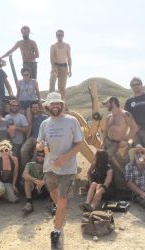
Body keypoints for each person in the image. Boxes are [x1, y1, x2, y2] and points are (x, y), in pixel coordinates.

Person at [37, 92, 83, 249]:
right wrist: (40, 146)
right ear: (48, 106)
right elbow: (41, 142)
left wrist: (64, 158)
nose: (55, 106)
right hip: (49, 168)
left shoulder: (72, 121)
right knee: (55, 198)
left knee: (62, 201)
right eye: (52, 104)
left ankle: (57, 231)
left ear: (62, 105)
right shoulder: (44, 123)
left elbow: (79, 144)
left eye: (58, 103)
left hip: (68, 169)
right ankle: (61, 214)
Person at [124, 144, 145, 221]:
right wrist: (142, 193)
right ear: (134, 155)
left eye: (142, 152)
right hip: (142, 193)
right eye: (137, 153)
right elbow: (129, 183)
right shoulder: (129, 166)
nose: (140, 154)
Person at [125, 77, 145, 154]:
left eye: (137, 84)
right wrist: (134, 127)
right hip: (135, 132)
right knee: (138, 154)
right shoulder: (129, 101)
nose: (135, 86)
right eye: (133, 85)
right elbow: (127, 117)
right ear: (131, 87)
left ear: (141, 85)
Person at [20, 101, 48, 172]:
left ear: (39, 108)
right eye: (34, 107)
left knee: (35, 156)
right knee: (23, 150)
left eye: (37, 107)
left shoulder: (44, 117)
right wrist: (26, 138)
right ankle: (25, 168)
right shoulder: (30, 118)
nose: (35, 109)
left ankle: (32, 172)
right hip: (32, 137)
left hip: (41, 139)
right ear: (31, 109)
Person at [22, 149, 48, 214]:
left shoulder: (48, 164)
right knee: (27, 180)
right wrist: (35, 181)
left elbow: (49, 174)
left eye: (43, 156)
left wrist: (42, 182)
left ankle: (53, 203)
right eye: (39, 155)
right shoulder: (30, 164)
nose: (40, 157)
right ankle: (29, 203)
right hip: (34, 189)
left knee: (52, 179)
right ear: (36, 156)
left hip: (45, 189)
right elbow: (24, 175)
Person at [5, 99, 28, 171]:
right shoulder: (6, 117)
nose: (14, 107)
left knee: (16, 163)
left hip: (18, 143)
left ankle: (17, 180)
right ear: (10, 106)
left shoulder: (22, 117)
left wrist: (16, 128)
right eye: (13, 105)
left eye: (16, 106)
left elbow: (26, 130)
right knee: (8, 162)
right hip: (7, 143)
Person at [49, 30, 72, 101]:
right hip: (56, 66)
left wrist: (70, 70)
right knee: (52, 81)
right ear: (56, 36)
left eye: (61, 35)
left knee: (62, 88)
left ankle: (62, 102)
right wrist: (53, 67)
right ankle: (50, 101)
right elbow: (51, 57)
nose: (60, 36)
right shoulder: (53, 46)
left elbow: (69, 58)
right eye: (58, 35)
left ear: (63, 36)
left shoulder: (67, 46)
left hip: (64, 67)